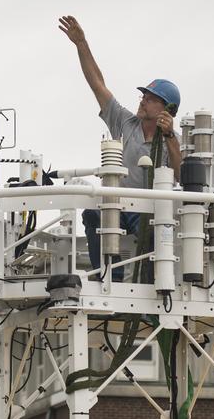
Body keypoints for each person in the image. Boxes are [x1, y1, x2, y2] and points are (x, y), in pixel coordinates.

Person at [58, 14, 181, 279]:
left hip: (148, 209)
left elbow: (181, 175)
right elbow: (98, 84)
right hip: (119, 204)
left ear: (166, 109)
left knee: (154, 231)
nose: (143, 101)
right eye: (143, 96)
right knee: (93, 214)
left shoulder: (172, 140)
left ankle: (151, 284)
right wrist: (81, 43)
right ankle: (108, 277)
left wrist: (170, 137)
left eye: (150, 98)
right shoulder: (127, 123)